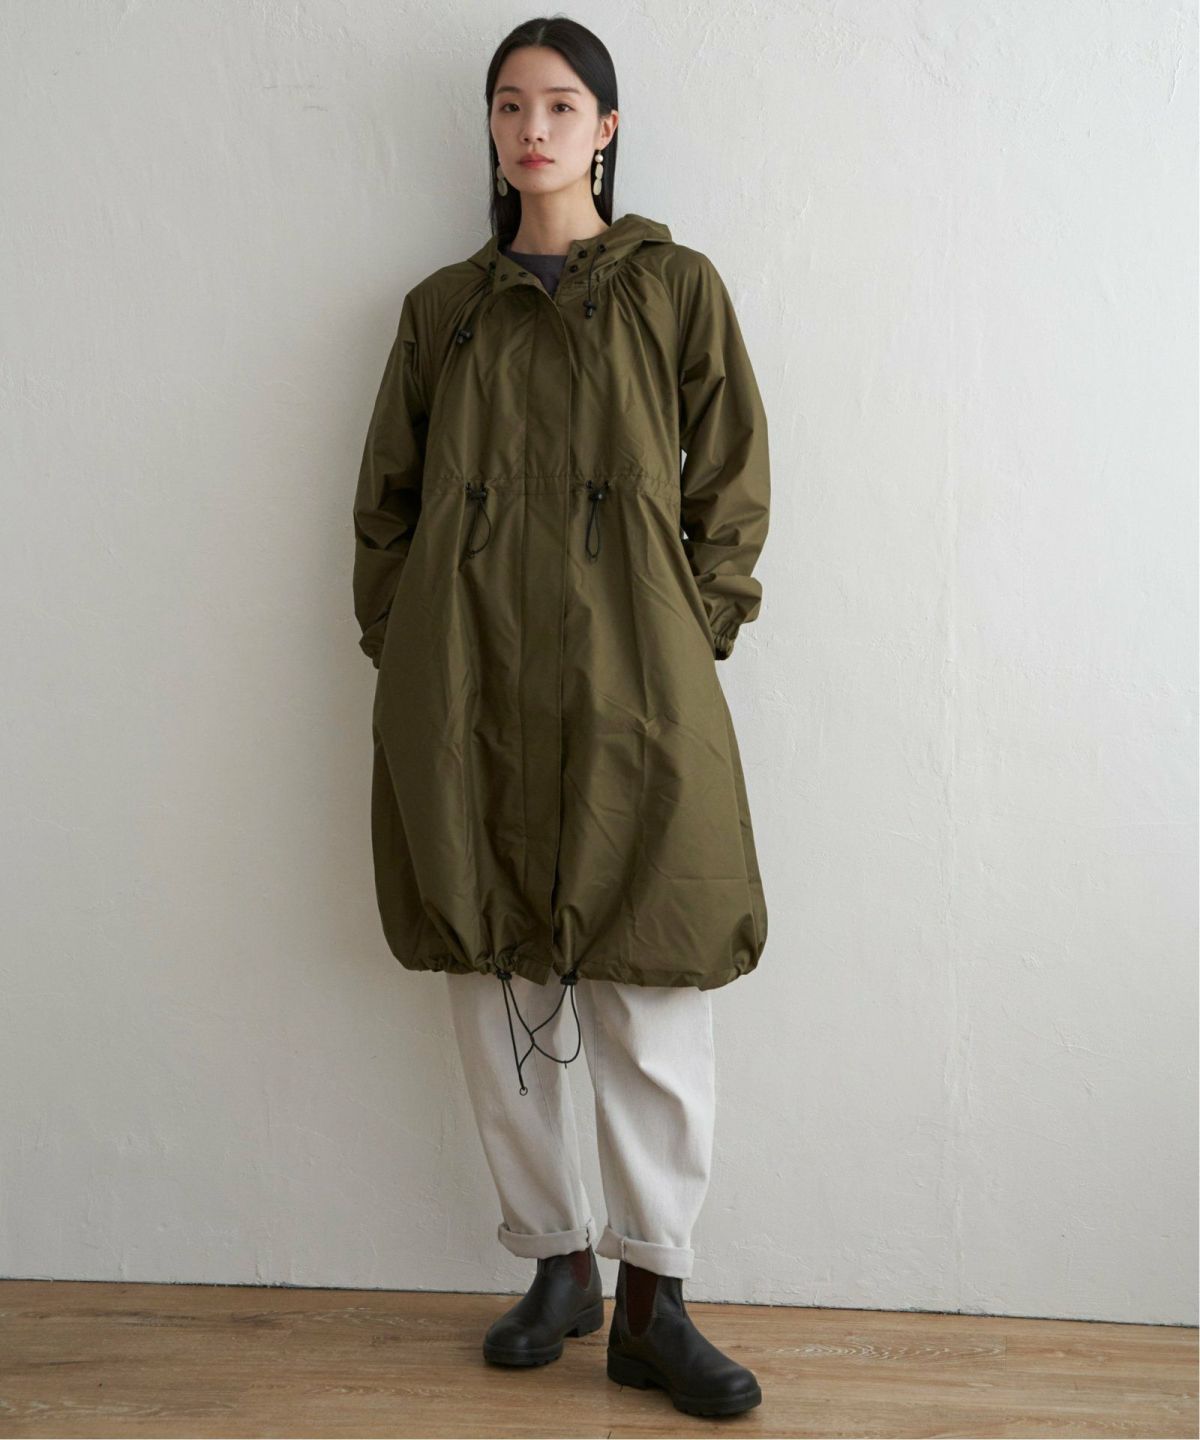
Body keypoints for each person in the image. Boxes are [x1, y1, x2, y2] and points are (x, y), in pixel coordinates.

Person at [351, 15, 770, 1419]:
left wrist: (691, 624)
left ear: (606, 128)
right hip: (466, 680)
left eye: (561, 105)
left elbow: (733, 479)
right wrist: (408, 645)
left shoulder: (676, 288)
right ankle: (556, 1263)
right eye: (509, 105)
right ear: (489, 129)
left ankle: (656, 1295)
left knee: (654, 981)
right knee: (496, 978)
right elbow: (384, 504)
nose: (532, 129)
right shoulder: (442, 311)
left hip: (636, 681)